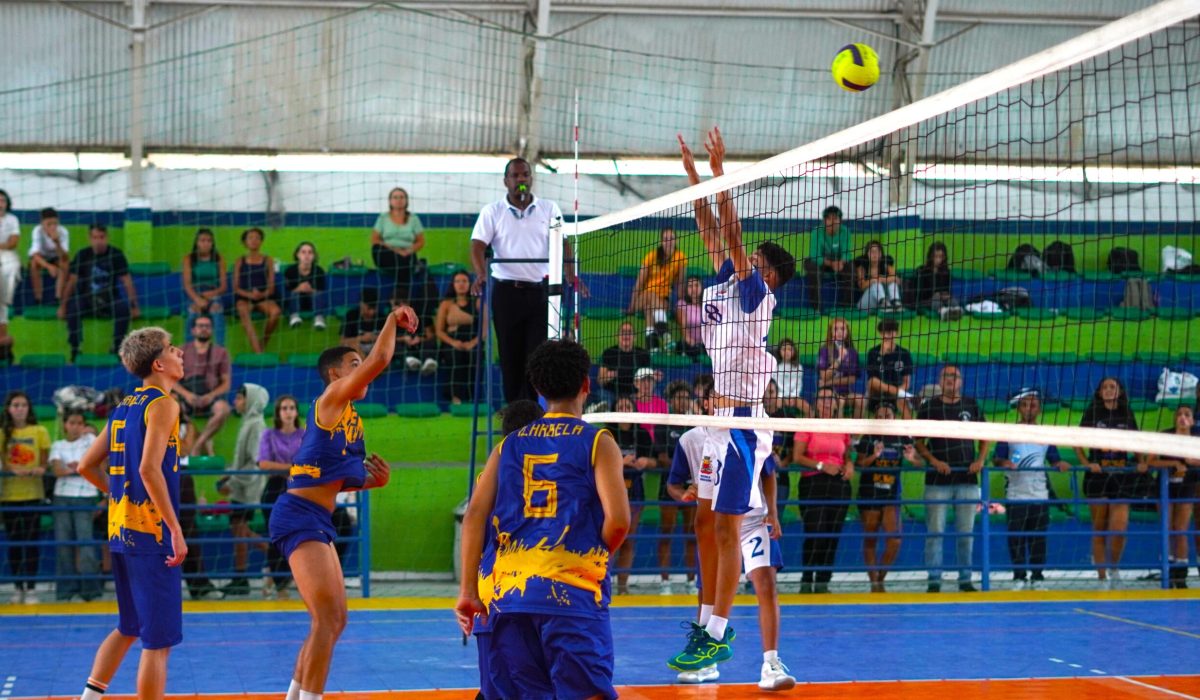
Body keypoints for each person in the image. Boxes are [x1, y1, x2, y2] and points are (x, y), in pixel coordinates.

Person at [669, 126, 796, 671]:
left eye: (755, 259)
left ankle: (716, 634)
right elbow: (711, 229)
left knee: (725, 526)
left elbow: (735, 236)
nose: (745, 258)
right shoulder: (723, 280)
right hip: (721, 419)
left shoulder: (757, 292)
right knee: (711, 525)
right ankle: (711, 634)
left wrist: (723, 175)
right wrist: (695, 179)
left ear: (767, 273)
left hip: (745, 424)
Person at [455, 339, 629, 700]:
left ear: (537, 389)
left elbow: (474, 517)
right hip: (570, 593)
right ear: (586, 384)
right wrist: (592, 553)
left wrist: (468, 591)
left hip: (508, 596)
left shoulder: (508, 445)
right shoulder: (598, 441)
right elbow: (619, 521)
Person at [269, 304, 414, 698]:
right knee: (328, 618)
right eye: (354, 362)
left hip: (317, 515)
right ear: (335, 374)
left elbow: (336, 480)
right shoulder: (331, 399)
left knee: (333, 620)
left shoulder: (353, 419)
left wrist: (373, 483)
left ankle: (296, 695)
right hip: (298, 514)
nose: (362, 365)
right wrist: (391, 320)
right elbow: (382, 358)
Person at [74, 326, 188, 700]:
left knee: (129, 626)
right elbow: (149, 470)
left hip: (121, 531)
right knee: (157, 642)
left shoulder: (124, 407)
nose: (181, 352)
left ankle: (89, 697)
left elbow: (86, 465)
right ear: (159, 363)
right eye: (173, 349)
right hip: (151, 534)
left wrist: (118, 495)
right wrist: (175, 528)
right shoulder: (164, 404)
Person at [665, 388, 795, 690]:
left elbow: (769, 472)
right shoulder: (692, 440)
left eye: (725, 395)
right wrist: (685, 493)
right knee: (706, 588)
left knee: (766, 583)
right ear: (706, 403)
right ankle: (707, 659)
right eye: (714, 397)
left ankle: (771, 663)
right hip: (717, 525)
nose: (721, 400)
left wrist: (773, 511)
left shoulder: (751, 429)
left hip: (753, 520)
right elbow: (674, 484)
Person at [469, 157, 584, 402]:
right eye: (516, 175)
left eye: (525, 175)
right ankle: (513, 415)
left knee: (536, 356)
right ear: (506, 181)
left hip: (538, 292)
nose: (521, 179)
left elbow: (563, 243)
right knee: (510, 357)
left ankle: (532, 412)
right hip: (506, 292)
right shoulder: (493, 211)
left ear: (531, 179)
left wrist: (570, 273)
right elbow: (478, 246)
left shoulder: (549, 208)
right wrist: (481, 273)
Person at [471, 398, 545, 700]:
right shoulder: (557, 474)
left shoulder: (487, 478)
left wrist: (468, 590)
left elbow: (475, 533)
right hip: (540, 591)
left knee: (494, 689)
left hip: (494, 591)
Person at [915, 365, 989, 593]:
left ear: (961, 381)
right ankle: (934, 580)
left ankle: (965, 579)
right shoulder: (930, 407)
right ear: (940, 380)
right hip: (937, 481)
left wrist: (981, 459)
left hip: (967, 479)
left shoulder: (971, 405)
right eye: (946, 376)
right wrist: (933, 461)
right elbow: (918, 440)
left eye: (954, 376)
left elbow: (985, 435)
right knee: (935, 533)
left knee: (966, 533)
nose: (950, 379)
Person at [992, 391, 1070, 591]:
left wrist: (1060, 463)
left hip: (1039, 495)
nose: (1029, 408)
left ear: (1039, 409)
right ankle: (1019, 577)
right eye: (1025, 405)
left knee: (1038, 538)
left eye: (1033, 405)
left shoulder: (1045, 434)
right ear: (1019, 408)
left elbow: (1054, 458)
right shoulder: (1008, 433)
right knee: (1016, 537)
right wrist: (1005, 462)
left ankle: (1037, 576)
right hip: (1016, 495)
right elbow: (996, 459)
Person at [1074, 377, 1140, 588]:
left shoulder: (1126, 413)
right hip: (1098, 476)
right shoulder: (1092, 413)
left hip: (1121, 476)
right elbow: (1077, 441)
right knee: (1100, 528)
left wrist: (1141, 462)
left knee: (1119, 529)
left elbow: (1139, 441)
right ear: (1099, 392)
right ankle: (1102, 577)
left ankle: (1114, 568)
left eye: (1113, 387)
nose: (1109, 390)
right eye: (1105, 387)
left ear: (1120, 391)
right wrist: (1086, 463)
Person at [792, 386, 853, 594]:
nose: (826, 403)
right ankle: (807, 579)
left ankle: (823, 582)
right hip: (813, 482)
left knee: (831, 533)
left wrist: (850, 464)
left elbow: (847, 453)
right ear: (816, 403)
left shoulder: (842, 427)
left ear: (836, 404)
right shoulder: (807, 425)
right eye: (822, 399)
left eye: (830, 399)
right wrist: (820, 465)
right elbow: (797, 457)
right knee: (814, 532)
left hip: (838, 484)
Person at [856, 401, 922, 593]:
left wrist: (912, 459)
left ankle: (880, 578)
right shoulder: (868, 437)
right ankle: (874, 583)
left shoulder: (902, 438)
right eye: (880, 416)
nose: (884, 419)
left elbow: (920, 463)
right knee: (870, 539)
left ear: (894, 417)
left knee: (895, 540)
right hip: (869, 493)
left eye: (888, 415)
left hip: (891, 494)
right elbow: (860, 464)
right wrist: (874, 456)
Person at [59, 224, 140, 364]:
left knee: (123, 309)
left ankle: (117, 347)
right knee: (73, 309)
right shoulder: (82, 255)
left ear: (107, 238)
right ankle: (75, 348)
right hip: (87, 299)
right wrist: (63, 306)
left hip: (109, 298)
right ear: (89, 238)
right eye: (95, 237)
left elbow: (127, 281)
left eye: (101, 237)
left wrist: (134, 305)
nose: (98, 241)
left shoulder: (116, 254)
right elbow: (71, 282)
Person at [218, 384, 270, 596]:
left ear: (250, 401)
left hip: (247, 489)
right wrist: (229, 474)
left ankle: (281, 559)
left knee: (241, 530)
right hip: (240, 487)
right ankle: (241, 577)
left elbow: (255, 462)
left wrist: (233, 480)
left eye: (239, 398)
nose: (235, 402)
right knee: (237, 530)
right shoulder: (248, 422)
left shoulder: (256, 425)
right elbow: (241, 460)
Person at [1, 391, 51, 604]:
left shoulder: (39, 431)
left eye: (23, 405)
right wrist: (11, 469)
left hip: (33, 494)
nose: (20, 408)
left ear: (29, 408)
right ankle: (17, 587)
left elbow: (44, 460)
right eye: (15, 405)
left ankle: (31, 588)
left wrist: (40, 468)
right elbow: (2, 462)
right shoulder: (3, 432)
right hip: (8, 495)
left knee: (31, 542)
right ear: (9, 409)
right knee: (14, 542)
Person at [257, 395, 306, 600]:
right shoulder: (269, 435)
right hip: (275, 488)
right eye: (284, 408)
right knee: (276, 537)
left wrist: (292, 470)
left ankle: (277, 576)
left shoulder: (304, 435)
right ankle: (280, 583)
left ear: (296, 412)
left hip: (299, 489)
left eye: (291, 407)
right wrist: (291, 468)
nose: (288, 411)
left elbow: (309, 460)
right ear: (278, 413)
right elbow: (264, 463)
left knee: (295, 536)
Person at [50, 409, 102, 602]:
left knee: (85, 544)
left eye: (79, 423)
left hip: (86, 496)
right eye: (71, 423)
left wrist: (78, 467)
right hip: (61, 497)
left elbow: (97, 463)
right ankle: (66, 590)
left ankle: (90, 591)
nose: (75, 427)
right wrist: (81, 467)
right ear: (65, 424)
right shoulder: (58, 445)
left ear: (83, 426)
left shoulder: (90, 441)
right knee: (64, 544)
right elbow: (57, 470)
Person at [1148, 405, 1200, 588]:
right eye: (1179, 414)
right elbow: (1151, 461)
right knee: (1167, 529)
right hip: (1164, 487)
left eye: (1187, 415)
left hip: (1187, 486)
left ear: (1193, 420)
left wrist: (1190, 460)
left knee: (1180, 529)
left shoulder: (1196, 439)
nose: (1183, 418)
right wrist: (1174, 462)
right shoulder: (1165, 436)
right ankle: (1168, 572)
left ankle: (1181, 574)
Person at [654, 381, 698, 596]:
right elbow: (662, 457)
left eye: (685, 398)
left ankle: (691, 580)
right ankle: (665, 581)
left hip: (692, 486)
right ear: (671, 401)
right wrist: (680, 471)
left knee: (692, 534)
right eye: (678, 398)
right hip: (670, 486)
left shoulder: (694, 424)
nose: (682, 401)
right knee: (666, 533)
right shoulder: (664, 423)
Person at [612, 394, 657, 595]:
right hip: (611, 490)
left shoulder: (642, 433)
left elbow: (657, 461)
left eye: (627, 405)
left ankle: (622, 586)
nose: (624, 408)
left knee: (629, 538)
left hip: (635, 490)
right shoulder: (607, 433)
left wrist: (646, 462)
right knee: (609, 539)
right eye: (620, 405)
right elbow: (594, 462)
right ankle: (603, 583)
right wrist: (619, 463)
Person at [172, 314, 233, 457]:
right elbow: (170, 380)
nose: (204, 329)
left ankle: (199, 444)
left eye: (207, 326)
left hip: (209, 396)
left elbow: (226, 384)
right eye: (200, 326)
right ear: (193, 330)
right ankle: (178, 447)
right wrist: (186, 395)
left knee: (224, 409)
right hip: (186, 397)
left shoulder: (221, 352)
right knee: (168, 403)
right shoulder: (181, 351)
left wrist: (211, 396)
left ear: (212, 330)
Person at [629, 226, 686, 349]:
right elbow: (639, 284)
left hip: (663, 300)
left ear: (676, 240)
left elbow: (680, 283)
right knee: (651, 296)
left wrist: (681, 303)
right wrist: (631, 308)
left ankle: (652, 346)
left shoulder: (680, 257)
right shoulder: (651, 256)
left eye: (671, 239)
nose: (669, 242)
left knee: (650, 308)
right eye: (665, 239)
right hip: (644, 297)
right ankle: (665, 333)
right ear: (661, 241)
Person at [435, 271, 483, 404]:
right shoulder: (446, 304)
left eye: (464, 281)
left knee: (474, 356)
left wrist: (472, 343)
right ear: (453, 284)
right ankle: (455, 398)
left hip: (473, 342)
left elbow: (484, 331)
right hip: (451, 343)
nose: (461, 284)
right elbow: (439, 331)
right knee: (455, 356)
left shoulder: (478, 303)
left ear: (470, 284)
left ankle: (473, 398)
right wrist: (454, 342)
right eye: (458, 281)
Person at [232, 227, 282, 354]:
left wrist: (261, 294)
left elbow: (271, 287)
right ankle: (259, 353)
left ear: (261, 241)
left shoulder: (268, 260)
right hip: (244, 297)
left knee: (276, 312)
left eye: (257, 238)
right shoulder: (239, 261)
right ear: (245, 242)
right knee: (242, 310)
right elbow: (236, 288)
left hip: (263, 297)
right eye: (250, 238)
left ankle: (262, 344)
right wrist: (249, 294)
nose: (254, 240)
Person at [371, 187, 425, 295]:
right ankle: (399, 298)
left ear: (406, 200)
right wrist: (396, 250)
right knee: (377, 249)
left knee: (404, 262)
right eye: (395, 197)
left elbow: (421, 241)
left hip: (407, 253)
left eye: (401, 197)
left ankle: (398, 298)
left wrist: (408, 251)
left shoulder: (414, 219)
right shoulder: (383, 218)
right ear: (390, 201)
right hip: (387, 253)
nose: (399, 200)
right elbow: (374, 239)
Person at [181, 228, 228, 345]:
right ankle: (189, 349)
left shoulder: (218, 258)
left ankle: (219, 350)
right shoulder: (189, 258)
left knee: (217, 312)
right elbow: (187, 285)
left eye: (209, 241)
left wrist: (210, 295)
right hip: (194, 294)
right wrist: (198, 299)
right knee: (193, 313)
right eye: (202, 240)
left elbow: (223, 287)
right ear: (197, 242)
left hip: (213, 293)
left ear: (212, 243)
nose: (206, 243)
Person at [803, 205, 853, 311]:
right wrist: (831, 263)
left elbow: (847, 253)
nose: (832, 222)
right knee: (811, 266)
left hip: (839, 263)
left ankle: (846, 307)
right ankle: (817, 308)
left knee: (851, 269)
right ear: (824, 221)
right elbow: (815, 255)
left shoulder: (845, 232)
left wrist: (841, 262)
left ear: (840, 221)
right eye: (829, 219)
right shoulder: (816, 232)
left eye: (835, 218)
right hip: (821, 263)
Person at [865, 318, 915, 418]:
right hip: (877, 393)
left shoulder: (904, 354)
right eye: (885, 332)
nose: (888, 335)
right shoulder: (873, 353)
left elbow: (906, 382)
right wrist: (882, 354)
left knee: (901, 400)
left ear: (896, 333)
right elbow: (872, 382)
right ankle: (909, 397)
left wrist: (897, 392)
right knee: (873, 381)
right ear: (880, 333)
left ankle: (909, 433)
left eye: (891, 332)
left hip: (896, 391)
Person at [817, 317, 864, 419]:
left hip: (846, 393)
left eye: (842, 329)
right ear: (831, 332)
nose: (839, 332)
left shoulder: (852, 352)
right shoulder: (824, 350)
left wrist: (828, 382)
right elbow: (824, 376)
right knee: (840, 402)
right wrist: (839, 360)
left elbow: (852, 379)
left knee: (861, 400)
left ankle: (854, 434)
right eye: (836, 329)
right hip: (828, 393)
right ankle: (840, 434)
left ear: (847, 332)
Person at [597, 322, 652, 404]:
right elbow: (600, 381)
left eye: (629, 333)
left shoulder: (643, 354)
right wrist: (608, 376)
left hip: (636, 394)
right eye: (623, 332)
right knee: (601, 394)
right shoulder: (608, 353)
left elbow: (649, 379)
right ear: (617, 337)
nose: (626, 335)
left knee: (654, 394)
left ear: (635, 337)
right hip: (612, 393)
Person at [391, 289, 438, 376]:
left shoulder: (421, 316)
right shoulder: (391, 319)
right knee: (394, 345)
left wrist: (420, 339)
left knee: (430, 343)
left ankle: (429, 361)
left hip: (420, 346)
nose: (393, 308)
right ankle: (409, 359)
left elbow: (431, 335)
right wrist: (403, 339)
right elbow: (387, 338)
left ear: (406, 303)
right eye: (392, 305)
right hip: (404, 348)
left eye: (396, 304)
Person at [29, 207, 70, 305]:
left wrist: (57, 242)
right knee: (33, 265)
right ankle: (38, 298)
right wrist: (49, 267)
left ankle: (58, 297)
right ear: (42, 223)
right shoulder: (37, 231)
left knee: (65, 264)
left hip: (57, 257)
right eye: (49, 224)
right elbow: (35, 254)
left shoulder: (63, 232)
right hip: (42, 257)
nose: (52, 227)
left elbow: (64, 256)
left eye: (55, 224)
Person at [913, 241, 963, 321]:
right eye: (936, 256)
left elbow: (948, 289)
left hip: (942, 298)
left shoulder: (946, 272)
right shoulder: (922, 271)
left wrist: (946, 294)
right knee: (936, 299)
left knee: (951, 299)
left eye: (941, 257)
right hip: (925, 300)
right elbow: (919, 293)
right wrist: (935, 294)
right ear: (931, 257)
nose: (938, 259)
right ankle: (943, 311)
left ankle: (956, 310)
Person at [284, 241, 328, 331]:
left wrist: (310, 290)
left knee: (317, 294)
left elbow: (322, 291)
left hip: (312, 302)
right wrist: (298, 289)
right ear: (297, 255)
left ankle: (318, 318)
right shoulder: (290, 271)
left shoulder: (319, 271)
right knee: (294, 293)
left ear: (314, 256)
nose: (307, 255)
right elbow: (286, 291)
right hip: (295, 301)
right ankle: (294, 316)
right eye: (303, 252)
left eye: (310, 252)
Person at [854, 240, 903, 311]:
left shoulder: (886, 264)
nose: (875, 254)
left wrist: (882, 279)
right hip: (867, 303)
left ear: (881, 254)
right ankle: (884, 304)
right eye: (872, 251)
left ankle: (896, 303)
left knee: (892, 283)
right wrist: (873, 280)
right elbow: (861, 286)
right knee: (875, 283)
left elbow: (897, 280)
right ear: (867, 254)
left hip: (886, 301)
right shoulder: (862, 266)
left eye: (877, 251)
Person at [0, 189, 19, 362]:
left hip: (6, 253)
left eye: (3, 200)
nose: (0, 203)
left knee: (11, 268)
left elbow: (13, 242)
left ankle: (7, 297)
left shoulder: (12, 219)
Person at [772, 338, 811, 416]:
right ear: (779, 351)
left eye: (790, 349)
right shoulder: (775, 367)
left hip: (794, 397)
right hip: (780, 396)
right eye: (784, 349)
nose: (787, 352)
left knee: (808, 408)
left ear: (794, 351)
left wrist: (793, 396)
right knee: (775, 406)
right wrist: (781, 396)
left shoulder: (798, 367)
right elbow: (776, 385)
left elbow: (798, 385)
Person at [340, 288, 383, 356]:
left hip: (375, 350)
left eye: (374, 308)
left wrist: (375, 337)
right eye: (369, 308)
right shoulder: (351, 316)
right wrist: (362, 338)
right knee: (352, 345)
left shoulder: (381, 318)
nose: (372, 312)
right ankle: (367, 366)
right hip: (358, 350)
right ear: (361, 304)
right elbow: (342, 342)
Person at [676, 275, 705, 358]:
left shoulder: (707, 305)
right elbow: (683, 327)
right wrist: (690, 341)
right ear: (686, 289)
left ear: (701, 287)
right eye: (690, 286)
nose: (694, 289)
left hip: (705, 344)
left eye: (696, 285)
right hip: (689, 344)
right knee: (683, 346)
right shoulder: (682, 304)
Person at [634, 367, 668, 436]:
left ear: (654, 383)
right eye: (643, 380)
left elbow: (665, 427)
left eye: (649, 380)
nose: (647, 383)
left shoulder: (662, 403)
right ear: (636, 383)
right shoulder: (630, 402)